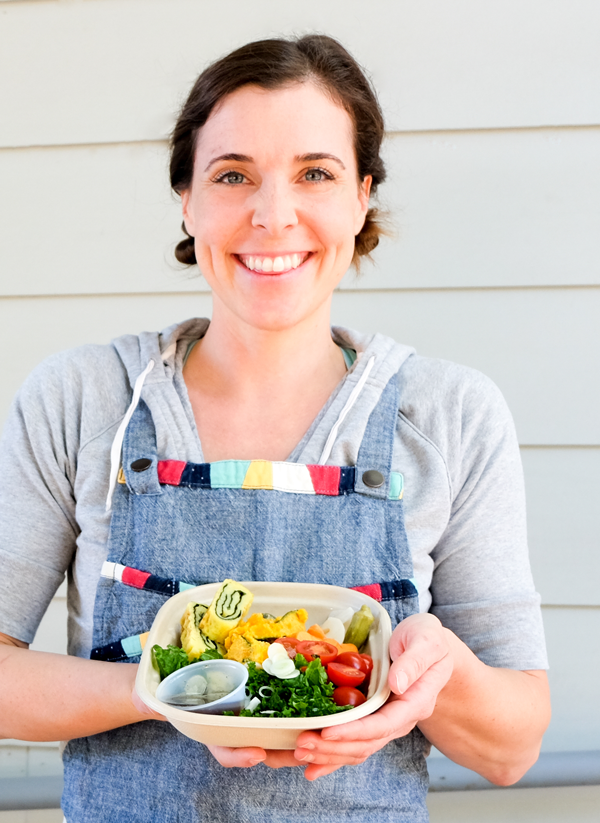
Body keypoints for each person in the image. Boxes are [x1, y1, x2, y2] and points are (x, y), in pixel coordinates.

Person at [0, 35, 550, 822]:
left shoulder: (450, 414)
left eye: (315, 174)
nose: (272, 214)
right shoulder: (82, 398)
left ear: (362, 196)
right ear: (187, 199)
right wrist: (165, 692)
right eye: (232, 175)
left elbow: (511, 748)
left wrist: (439, 677)